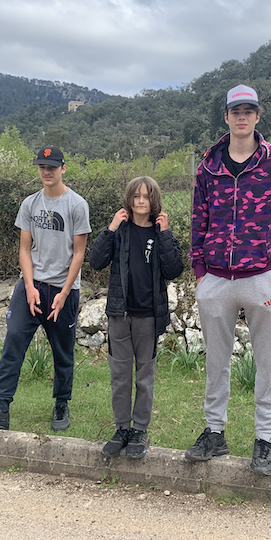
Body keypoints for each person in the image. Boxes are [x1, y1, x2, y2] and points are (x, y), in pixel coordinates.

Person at [185, 84, 271, 476]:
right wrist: (200, 273)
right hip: (216, 279)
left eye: (248, 111)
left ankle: (265, 440)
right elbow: (198, 219)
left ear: (257, 116)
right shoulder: (208, 166)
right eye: (235, 111)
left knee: (267, 365)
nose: (242, 117)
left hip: (262, 278)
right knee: (216, 362)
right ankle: (214, 432)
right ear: (226, 116)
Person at [0, 145, 91, 433]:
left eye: (52, 167)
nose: (47, 172)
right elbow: (24, 248)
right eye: (42, 167)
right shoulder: (30, 204)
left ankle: (61, 403)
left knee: (63, 350)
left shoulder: (76, 205)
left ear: (63, 169)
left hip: (62, 290)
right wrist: (30, 286)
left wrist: (64, 293)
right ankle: (0, 408)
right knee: (13, 341)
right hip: (31, 288)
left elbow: (79, 253)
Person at [89, 177, 184, 459]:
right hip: (120, 314)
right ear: (129, 199)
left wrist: (165, 234)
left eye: (146, 196)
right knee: (120, 376)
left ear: (154, 200)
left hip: (148, 317)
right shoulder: (119, 231)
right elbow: (96, 261)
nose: (141, 201)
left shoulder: (160, 232)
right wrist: (110, 229)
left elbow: (174, 269)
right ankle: (122, 428)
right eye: (136, 196)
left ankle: (140, 430)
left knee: (145, 376)